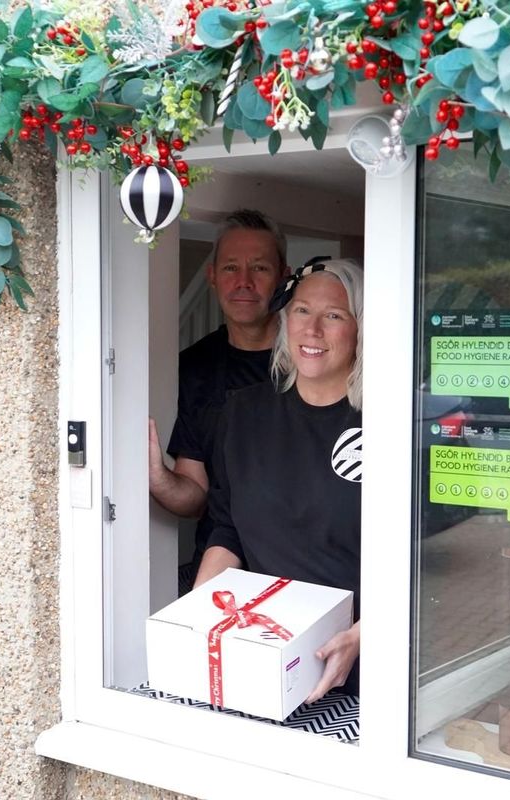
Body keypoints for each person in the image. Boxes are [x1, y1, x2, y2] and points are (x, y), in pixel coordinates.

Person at [196, 259, 364, 704]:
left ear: (361, 330)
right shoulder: (244, 413)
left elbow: (429, 562)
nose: (312, 329)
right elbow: (227, 528)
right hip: (265, 659)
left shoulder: (390, 422)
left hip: (365, 669)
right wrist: (197, 618)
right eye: (302, 310)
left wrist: (363, 635)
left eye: (334, 315)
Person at [149, 210, 289, 591]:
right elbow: (196, 497)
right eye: (230, 268)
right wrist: (157, 478)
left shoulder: (310, 360)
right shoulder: (194, 368)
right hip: (222, 572)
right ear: (212, 276)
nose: (244, 281)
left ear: (283, 276)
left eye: (259, 268)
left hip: (300, 572)